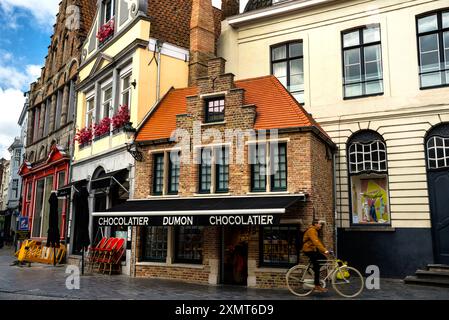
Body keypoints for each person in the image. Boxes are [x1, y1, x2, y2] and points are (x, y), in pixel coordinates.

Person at [302, 219, 330, 293]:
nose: (320, 225)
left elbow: (317, 243)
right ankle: (317, 286)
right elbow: (316, 242)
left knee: (323, 258)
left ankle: (314, 270)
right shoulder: (311, 230)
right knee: (318, 265)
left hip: (312, 250)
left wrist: (324, 249)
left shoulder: (314, 231)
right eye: (319, 224)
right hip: (308, 250)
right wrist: (325, 250)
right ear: (315, 224)